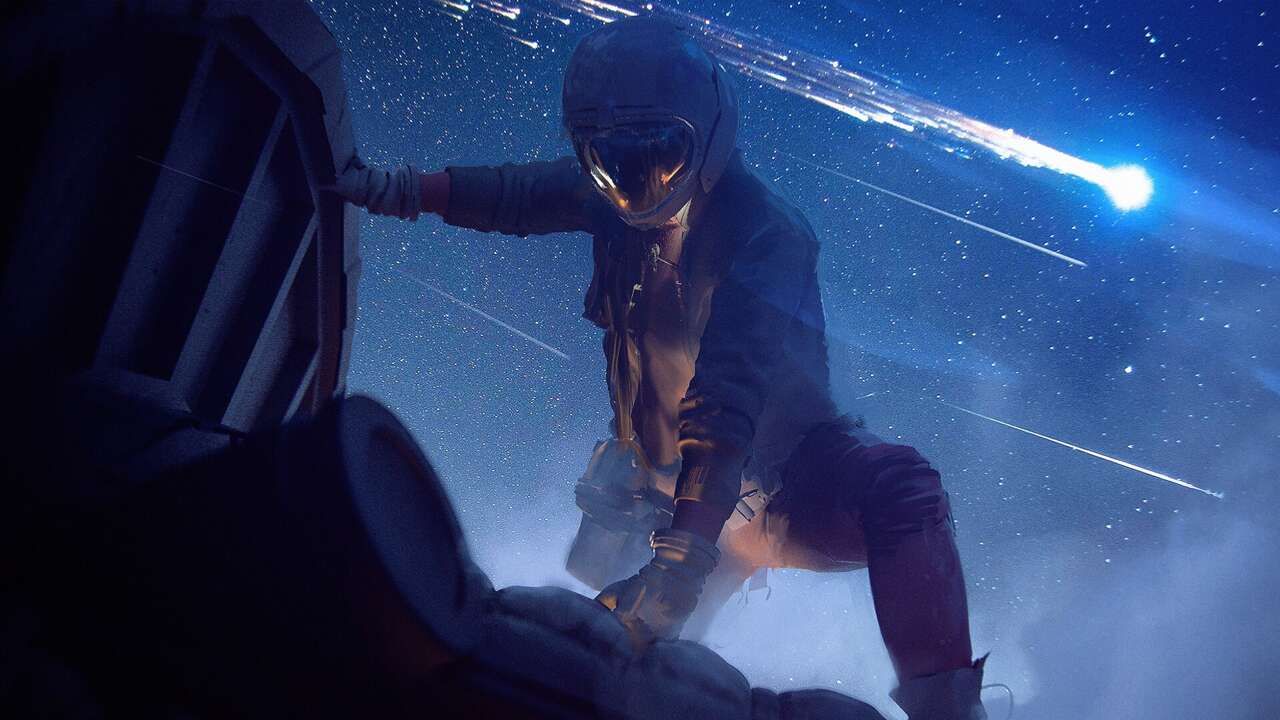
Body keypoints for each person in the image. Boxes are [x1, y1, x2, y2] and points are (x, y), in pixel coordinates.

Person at [332, 17, 988, 719]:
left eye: (658, 157)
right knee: (590, 675)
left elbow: (726, 396)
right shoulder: (617, 200)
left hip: (772, 492)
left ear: (707, 135)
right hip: (674, 502)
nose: (633, 187)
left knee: (899, 489)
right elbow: (515, 194)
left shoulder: (767, 235)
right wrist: (394, 189)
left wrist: (682, 558)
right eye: (608, 161)